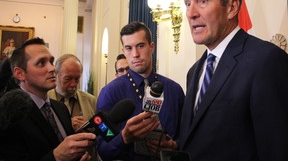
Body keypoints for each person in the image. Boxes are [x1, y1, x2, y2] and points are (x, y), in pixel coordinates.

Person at [178, 0, 288, 160]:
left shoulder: (267, 61)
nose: (191, 13)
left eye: (202, 1)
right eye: (187, 3)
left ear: (231, 7)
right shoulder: (194, 71)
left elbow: (277, 149)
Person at [96, 21, 185, 161]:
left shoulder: (174, 90)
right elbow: (101, 149)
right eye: (129, 48)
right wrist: (123, 137)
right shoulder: (108, 92)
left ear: (152, 47)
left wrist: (174, 145)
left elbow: (188, 137)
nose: (135, 54)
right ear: (123, 51)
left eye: (140, 46)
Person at [0, 37, 96, 161]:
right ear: (20, 73)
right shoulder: (10, 116)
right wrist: (56, 157)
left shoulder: (60, 108)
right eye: (41, 63)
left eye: (51, 61)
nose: (52, 69)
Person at [48, 54, 97, 131]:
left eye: (77, 79)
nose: (73, 84)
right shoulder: (44, 100)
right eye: (68, 79)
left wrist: (91, 128)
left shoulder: (91, 101)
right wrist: (66, 123)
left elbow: (103, 132)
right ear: (56, 74)